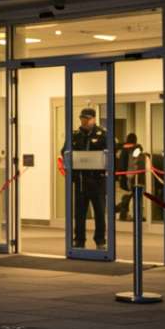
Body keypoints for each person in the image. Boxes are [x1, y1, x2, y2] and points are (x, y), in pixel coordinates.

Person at [71, 107, 107, 250]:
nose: (84, 121)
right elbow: (65, 151)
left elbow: (109, 152)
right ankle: (79, 240)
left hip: (97, 180)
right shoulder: (75, 135)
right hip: (81, 180)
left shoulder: (103, 134)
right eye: (82, 118)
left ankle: (100, 240)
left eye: (87, 118)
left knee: (99, 212)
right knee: (79, 213)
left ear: (93, 119)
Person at [115, 133, 146, 221]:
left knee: (129, 195)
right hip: (134, 176)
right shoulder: (136, 149)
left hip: (124, 177)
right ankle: (136, 215)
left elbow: (121, 165)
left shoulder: (122, 149)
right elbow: (136, 163)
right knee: (136, 196)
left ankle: (123, 213)